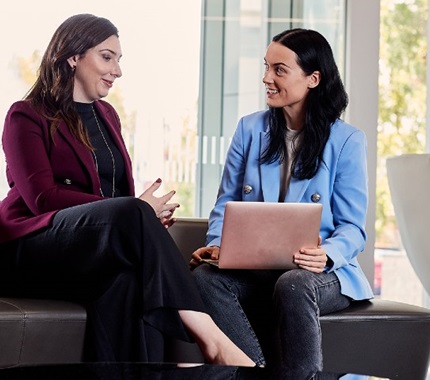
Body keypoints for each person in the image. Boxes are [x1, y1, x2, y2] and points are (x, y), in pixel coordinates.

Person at [0, 13, 253, 366]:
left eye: (119, 60)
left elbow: (117, 198)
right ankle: (211, 339)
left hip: (90, 252)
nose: (117, 70)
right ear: (73, 57)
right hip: (32, 246)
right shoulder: (25, 115)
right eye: (107, 57)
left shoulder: (108, 116)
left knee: (128, 284)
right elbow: (41, 198)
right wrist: (135, 212)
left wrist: (147, 222)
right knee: (133, 210)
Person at [189, 28, 373, 376]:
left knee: (294, 282)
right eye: (266, 67)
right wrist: (218, 245)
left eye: (279, 70)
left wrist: (327, 253)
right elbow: (225, 203)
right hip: (258, 269)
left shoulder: (347, 140)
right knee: (205, 279)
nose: (266, 79)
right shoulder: (249, 130)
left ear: (313, 78)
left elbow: (353, 229)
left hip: (322, 273)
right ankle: (251, 372)